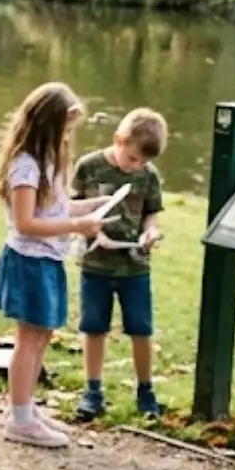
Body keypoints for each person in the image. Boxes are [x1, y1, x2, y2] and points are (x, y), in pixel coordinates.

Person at [0, 82, 109, 449]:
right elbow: (27, 223)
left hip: (48, 258)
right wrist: (77, 226)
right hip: (29, 260)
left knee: (42, 336)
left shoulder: (48, 162)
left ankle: (24, 407)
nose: (68, 135)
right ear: (48, 123)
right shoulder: (25, 166)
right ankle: (20, 419)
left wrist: (88, 207)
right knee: (28, 339)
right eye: (66, 127)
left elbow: (53, 209)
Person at [72, 109, 169, 422]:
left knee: (141, 329)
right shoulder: (89, 167)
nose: (136, 166)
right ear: (118, 140)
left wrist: (150, 231)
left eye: (142, 162)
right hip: (95, 263)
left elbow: (151, 213)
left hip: (135, 267)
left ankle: (145, 390)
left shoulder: (148, 175)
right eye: (132, 159)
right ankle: (93, 391)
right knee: (94, 327)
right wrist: (88, 229)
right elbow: (70, 208)